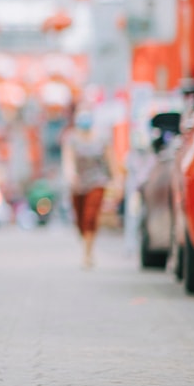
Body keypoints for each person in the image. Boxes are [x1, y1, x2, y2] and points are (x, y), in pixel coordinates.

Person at [60, 106, 122, 269]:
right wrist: (71, 175)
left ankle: (87, 254)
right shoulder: (71, 138)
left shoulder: (101, 138)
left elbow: (111, 161)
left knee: (90, 215)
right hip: (78, 184)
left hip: (97, 181)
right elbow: (68, 160)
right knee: (80, 220)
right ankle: (86, 241)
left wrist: (117, 180)